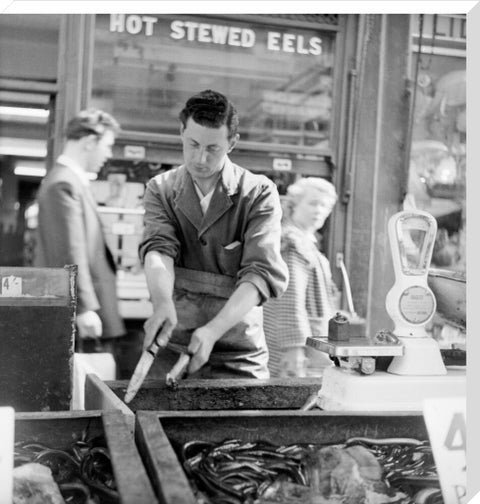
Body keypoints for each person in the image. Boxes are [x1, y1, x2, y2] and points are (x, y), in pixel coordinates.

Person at [138, 89, 288, 379]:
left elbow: (260, 273)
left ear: (232, 143)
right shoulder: (161, 189)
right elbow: (158, 250)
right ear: (181, 132)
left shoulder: (257, 192)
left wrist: (213, 331)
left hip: (237, 350)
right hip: (172, 340)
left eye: (212, 148)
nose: (200, 158)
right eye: (193, 144)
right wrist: (161, 302)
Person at [35, 108, 126, 354]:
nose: (108, 154)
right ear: (89, 142)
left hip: (89, 311)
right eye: (107, 145)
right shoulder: (63, 184)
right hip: (85, 315)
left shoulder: (68, 181)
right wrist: (83, 308)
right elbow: (69, 251)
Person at [263, 177, 340, 378]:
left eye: (324, 206)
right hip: (297, 348)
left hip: (309, 342)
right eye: (313, 203)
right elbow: (289, 298)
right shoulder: (292, 242)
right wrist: (293, 348)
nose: (319, 210)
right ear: (294, 204)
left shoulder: (303, 240)